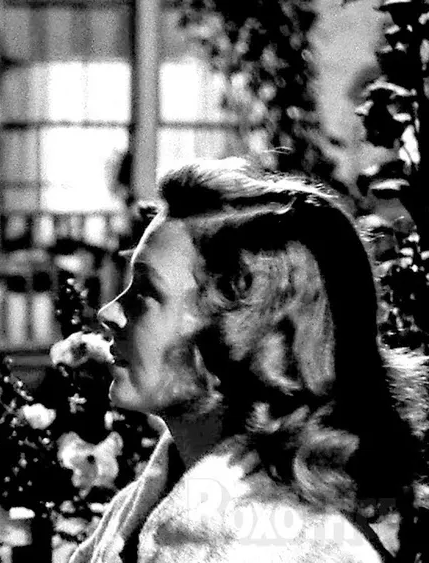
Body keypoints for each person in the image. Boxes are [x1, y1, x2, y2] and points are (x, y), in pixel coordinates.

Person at [57, 159, 428, 563]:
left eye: (146, 291)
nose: (109, 312)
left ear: (238, 338)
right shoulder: (149, 501)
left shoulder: (291, 546)